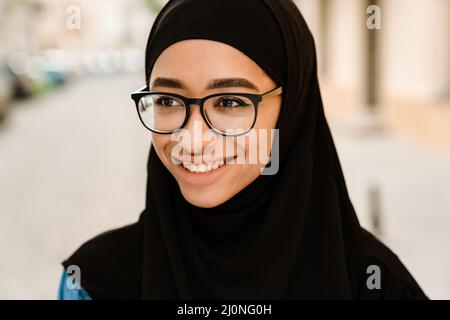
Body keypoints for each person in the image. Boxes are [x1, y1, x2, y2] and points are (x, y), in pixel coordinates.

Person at [59, 0, 427, 299]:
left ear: (293, 110)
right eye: (169, 100)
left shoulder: (377, 285)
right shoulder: (93, 282)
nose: (193, 138)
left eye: (231, 102)